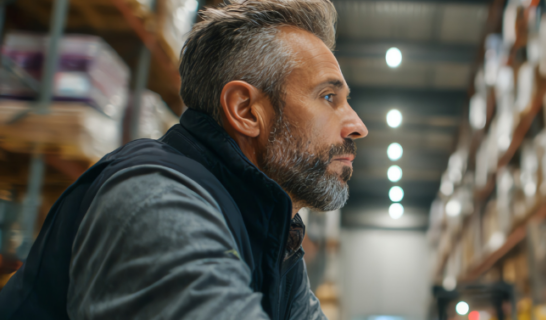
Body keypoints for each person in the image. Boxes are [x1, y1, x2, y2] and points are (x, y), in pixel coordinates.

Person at [0, 0, 366, 319]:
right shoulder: (155, 199)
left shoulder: (272, 236)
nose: (358, 126)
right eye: (328, 97)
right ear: (246, 111)